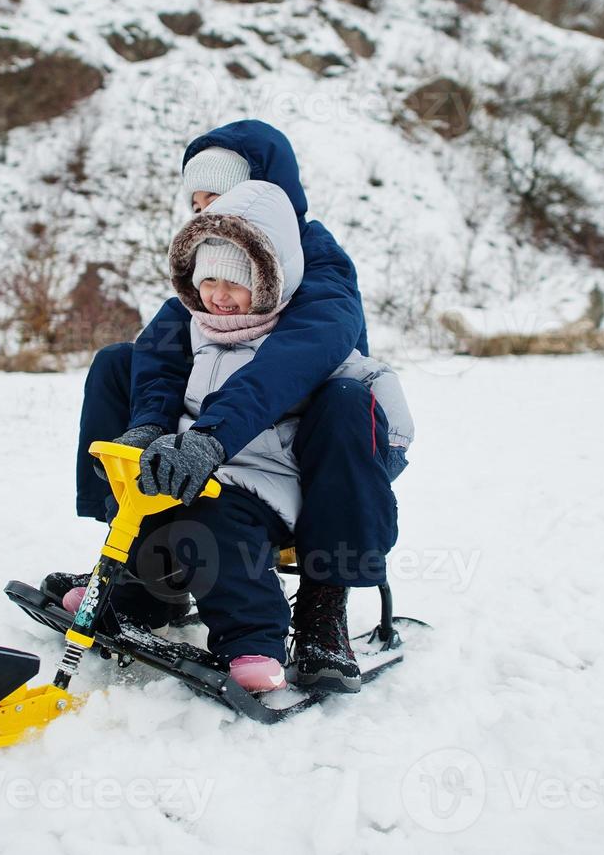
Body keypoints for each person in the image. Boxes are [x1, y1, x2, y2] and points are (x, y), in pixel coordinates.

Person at [57, 119, 406, 692]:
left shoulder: (317, 263)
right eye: (195, 203)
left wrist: (211, 434)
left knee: (346, 400)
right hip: (229, 439)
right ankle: (134, 566)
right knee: (121, 362)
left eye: (216, 200)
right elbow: (164, 349)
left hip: (313, 449)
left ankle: (325, 603)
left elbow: (289, 364)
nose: (203, 214)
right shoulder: (216, 269)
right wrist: (147, 426)